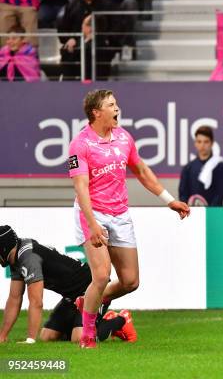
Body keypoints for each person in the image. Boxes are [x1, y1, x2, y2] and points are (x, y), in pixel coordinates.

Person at [68, 89, 190, 348]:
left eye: (116, 104)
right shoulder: (80, 144)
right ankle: (88, 335)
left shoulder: (124, 137)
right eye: (111, 105)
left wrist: (169, 199)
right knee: (101, 276)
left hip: (120, 214)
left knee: (131, 281)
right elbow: (80, 188)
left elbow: (142, 171)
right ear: (96, 112)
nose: (117, 109)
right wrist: (93, 224)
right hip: (92, 213)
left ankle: (88, 300)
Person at [0, 225, 134, 344]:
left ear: (3, 248)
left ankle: (120, 321)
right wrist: (2, 336)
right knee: (48, 336)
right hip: (71, 296)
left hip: (91, 288)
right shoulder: (16, 257)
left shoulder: (29, 259)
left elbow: (36, 302)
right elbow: (14, 299)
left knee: (79, 337)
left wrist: (30, 340)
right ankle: (95, 323)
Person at [58, 0, 117, 80]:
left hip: (100, 50)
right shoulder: (71, 7)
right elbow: (62, 33)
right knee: (67, 51)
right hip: (76, 50)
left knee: (94, 50)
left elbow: (115, 33)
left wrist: (98, 37)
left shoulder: (108, 6)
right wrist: (70, 39)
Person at [0, 0, 64, 47]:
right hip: (5, 1)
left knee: (30, 41)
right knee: (6, 41)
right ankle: (6, 59)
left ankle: (29, 58)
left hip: (28, 1)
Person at [179, 126, 223, 207]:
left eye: (206, 142)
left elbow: (220, 195)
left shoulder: (220, 167)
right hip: (192, 214)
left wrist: (209, 212)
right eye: (199, 142)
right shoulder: (187, 168)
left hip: (214, 214)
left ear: (212, 143)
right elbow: (183, 195)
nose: (202, 145)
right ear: (195, 143)